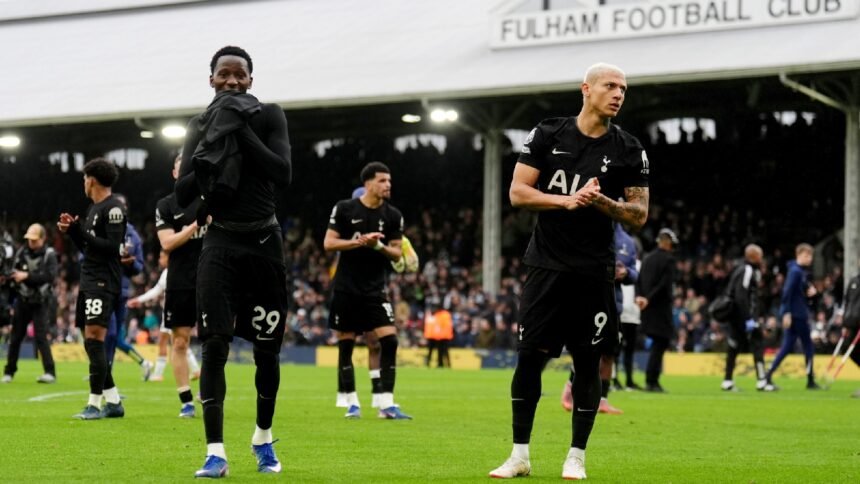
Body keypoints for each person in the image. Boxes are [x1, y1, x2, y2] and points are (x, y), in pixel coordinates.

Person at [490, 62, 649, 480]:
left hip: (594, 271)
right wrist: (566, 200)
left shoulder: (629, 148)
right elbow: (518, 192)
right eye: (610, 86)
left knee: (588, 362)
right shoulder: (548, 134)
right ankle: (519, 456)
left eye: (623, 88)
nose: (618, 94)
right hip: (546, 265)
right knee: (529, 359)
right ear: (586, 89)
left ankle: (576, 456)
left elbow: (639, 214)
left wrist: (602, 202)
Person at [175, 45, 291, 478]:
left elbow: (283, 173)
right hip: (220, 244)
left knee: (267, 351)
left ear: (250, 80)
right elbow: (182, 194)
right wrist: (210, 151)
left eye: (239, 74)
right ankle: (215, 453)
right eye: (224, 74)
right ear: (211, 80)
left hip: (264, 244)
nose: (231, 81)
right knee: (214, 346)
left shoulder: (270, 115)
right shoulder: (199, 124)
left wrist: (239, 130)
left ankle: (263, 437)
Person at [324, 161, 412, 421]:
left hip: (375, 289)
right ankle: (352, 403)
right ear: (368, 183)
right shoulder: (344, 208)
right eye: (382, 180)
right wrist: (359, 242)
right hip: (346, 288)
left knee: (390, 340)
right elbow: (329, 243)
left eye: (389, 181)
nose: (388, 185)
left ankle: (386, 404)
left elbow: (396, 252)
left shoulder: (393, 215)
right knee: (346, 346)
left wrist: (378, 247)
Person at [58, 157, 127, 420]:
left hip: (102, 281)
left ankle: (94, 404)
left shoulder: (114, 208)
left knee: (95, 339)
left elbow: (113, 247)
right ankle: (114, 401)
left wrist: (80, 230)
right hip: (89, 279)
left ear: (92, 180)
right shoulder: (94, 209)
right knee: (89, 340)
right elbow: (89, 248)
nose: (83, 183)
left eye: (84, 179)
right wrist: (73, 231)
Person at [560, 223, 638, 414]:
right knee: (585, 351)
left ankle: (602, 400)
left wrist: (626, 273)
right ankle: (570, 390)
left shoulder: (628, 242)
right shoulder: (588, 228)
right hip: (588, 299)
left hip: (613, 305)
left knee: (609, 353)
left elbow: (634, 273)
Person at [156, 155, 207, 417]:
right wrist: (195, 225)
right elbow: (166, 243)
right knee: (179, 342)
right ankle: (186, 400)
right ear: (174, 173)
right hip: (180, 281)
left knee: (215, 339)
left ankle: (207, 390)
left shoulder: (211, 199)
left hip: (211, 278)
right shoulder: (166, 205)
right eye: (181, 168)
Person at [103, 194, 154, 382]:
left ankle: (106, 376)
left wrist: (130, 263)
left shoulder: (132, 235)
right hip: (100, 289)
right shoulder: (99, 227)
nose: (119, 209)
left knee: (113, 336)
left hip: (121, 292)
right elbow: (84, 256)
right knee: (106, 335)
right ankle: (103, 373)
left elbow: (139, 266)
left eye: (122, 206)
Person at [2, 223, 58, 383]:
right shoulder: (22, 252)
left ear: (43, 238)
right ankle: (9, 372)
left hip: (41, 301)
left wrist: (27, 276)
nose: (31, 242)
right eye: (29, 239)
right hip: (22, 300)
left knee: (41, 337)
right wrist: (7, 277)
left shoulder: (49, 254)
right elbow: (13, 272)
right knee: (15, 337)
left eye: (34, 240)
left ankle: (50, 372)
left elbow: (49, 277)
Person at [764, 243, 820, 390]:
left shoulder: (797, 271)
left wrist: (808, 290)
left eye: (810, 256)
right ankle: (810, 380)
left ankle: (768, 375)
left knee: (787, 346)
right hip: (798, 314)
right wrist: (787, 312)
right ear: (799, 255)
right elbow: (787, 292)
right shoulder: (796, 272)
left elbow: (796, 290)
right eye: (807, 255)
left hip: (795, 313)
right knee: (808, 346)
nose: (810, 258)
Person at [721, 244, 767, 392]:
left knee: (734, 347)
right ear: (754, 256)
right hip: (743, 317)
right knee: (757, 344)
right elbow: (741, 295)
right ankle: (762, 381)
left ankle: (727, 380)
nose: (761, 258)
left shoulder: (741, 269)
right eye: (760, 255)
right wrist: (748, 318)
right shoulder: (747, 270)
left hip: (736, 315)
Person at [635, 228, 677, 393]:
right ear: (667, 243)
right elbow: (664, 284)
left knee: (658, 343)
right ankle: (652, 381)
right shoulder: (669, 259)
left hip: (646, 307)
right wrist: (649, 298)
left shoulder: (647, 258)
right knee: (661, 342)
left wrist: (641, 297)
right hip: (660, 307)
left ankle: (651, 380)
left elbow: (638, 280)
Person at [839, 268, 860, 397]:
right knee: (846, 349)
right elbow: (847, 302)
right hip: (852, 323)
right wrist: (845, 323)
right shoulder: (853, 281)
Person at [424, 303, 453, 368]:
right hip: (436, 336)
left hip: (441, 336)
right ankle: (440, 364)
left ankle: (443, 364)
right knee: (438, 351)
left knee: (442, 351)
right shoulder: (437, 315)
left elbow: (442, 326)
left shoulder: (442, 315)